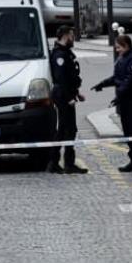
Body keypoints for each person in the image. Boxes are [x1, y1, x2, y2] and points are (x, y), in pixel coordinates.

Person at [91, 34, 132, 174]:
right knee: (128, 132)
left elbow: (131, 81)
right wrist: (102, 84)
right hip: (125, 101)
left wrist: (119, 96)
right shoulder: (123, 58)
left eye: (118, 47)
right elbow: (117, 77)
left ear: (126, 46)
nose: (117, 50)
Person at [47, 25, 88, 174]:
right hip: (62, 96)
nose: (73, 38)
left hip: (67, 95)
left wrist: (76, 93)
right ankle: (56, 162)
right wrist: (70, 97)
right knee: (64, 129)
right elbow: (61, 79)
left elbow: (70, 77)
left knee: (70, 129)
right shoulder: (59, 55)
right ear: (65, 36)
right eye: (71, 35)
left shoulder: (65, 53)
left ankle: (66, 163)